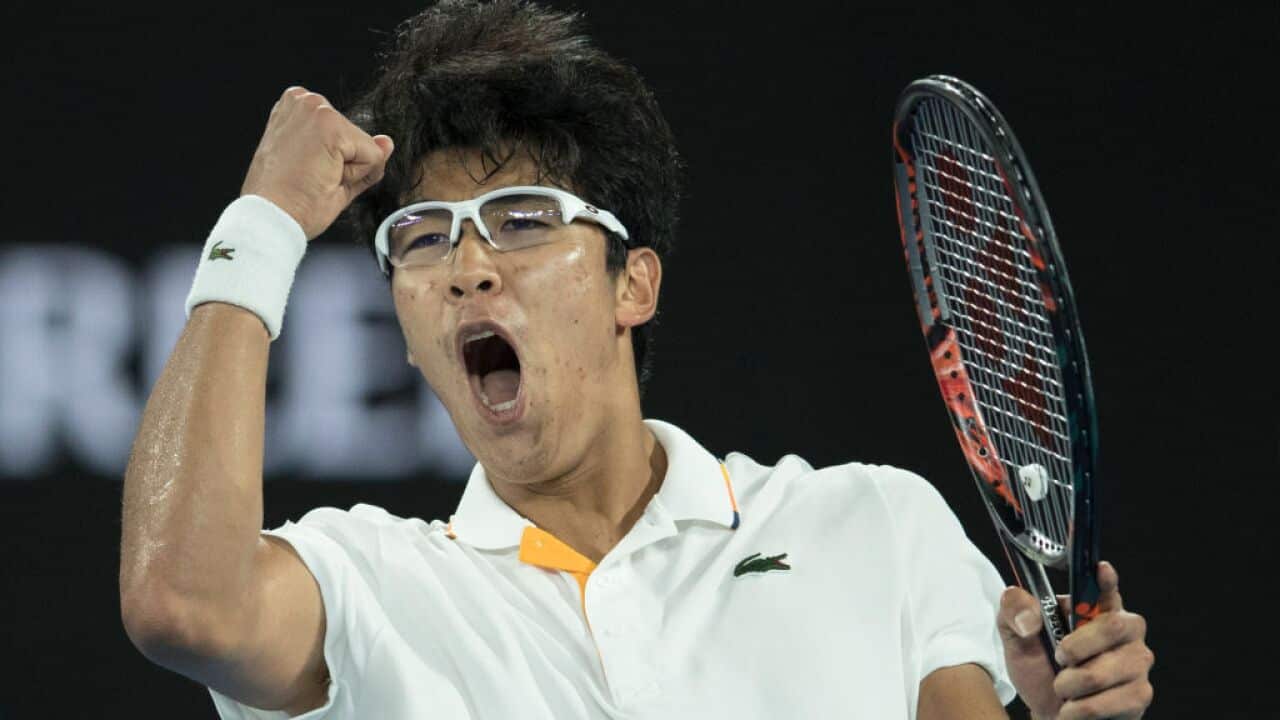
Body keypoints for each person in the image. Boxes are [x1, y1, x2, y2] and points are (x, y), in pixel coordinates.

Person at [119, 1, 1154, 718]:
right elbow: (181, 604)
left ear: (633, 285)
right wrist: (262, 225)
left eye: (522, 220)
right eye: (422, 238)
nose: (466, 268)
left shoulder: (870, 525)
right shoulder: (368, 588)